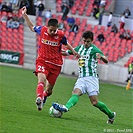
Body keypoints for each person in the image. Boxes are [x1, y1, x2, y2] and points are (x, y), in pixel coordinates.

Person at [21, 6, 79, 111]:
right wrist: (25, 15)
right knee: (41, 79)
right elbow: (31, 27)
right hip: (42, 61)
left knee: (49, 91)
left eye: (54, 30)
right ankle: (39, 97)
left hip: (56, 64)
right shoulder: (42, 30)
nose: (52, 32)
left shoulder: (60, 35)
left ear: (57, 28)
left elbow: (66, 44)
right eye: (51, 30)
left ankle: (44, 96)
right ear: (47, 27)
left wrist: (74, 52)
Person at [52, 30, 116, 124]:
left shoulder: (94, 50)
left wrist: (101, 57)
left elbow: (106, 60)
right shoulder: (80, 48)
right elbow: (67, 52)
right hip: (81, 78)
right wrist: (55, 50)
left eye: (88, 41)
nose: (86, 43)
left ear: (92, 41)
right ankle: (65, 107)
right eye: (84, 41)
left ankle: (111, 115)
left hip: (91, 78)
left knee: (95, 102)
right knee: (75, 92)